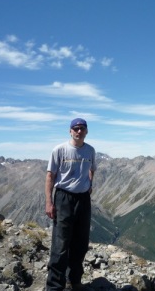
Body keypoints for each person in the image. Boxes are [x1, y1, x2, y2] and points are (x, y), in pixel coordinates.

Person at [45, 118, 96, 291]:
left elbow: (92, 169)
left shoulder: (90, 150)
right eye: (76, 128)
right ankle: (54, 287)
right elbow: (50, 176)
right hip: (64, 198)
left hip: (83, 200)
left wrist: (89, 184)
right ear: (70, 131)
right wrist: (49, 202)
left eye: (82, 128)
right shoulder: (59, 150)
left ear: (86, 131)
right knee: (60, 245)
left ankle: (75, 281)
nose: (79, 131)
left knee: (81, 243)